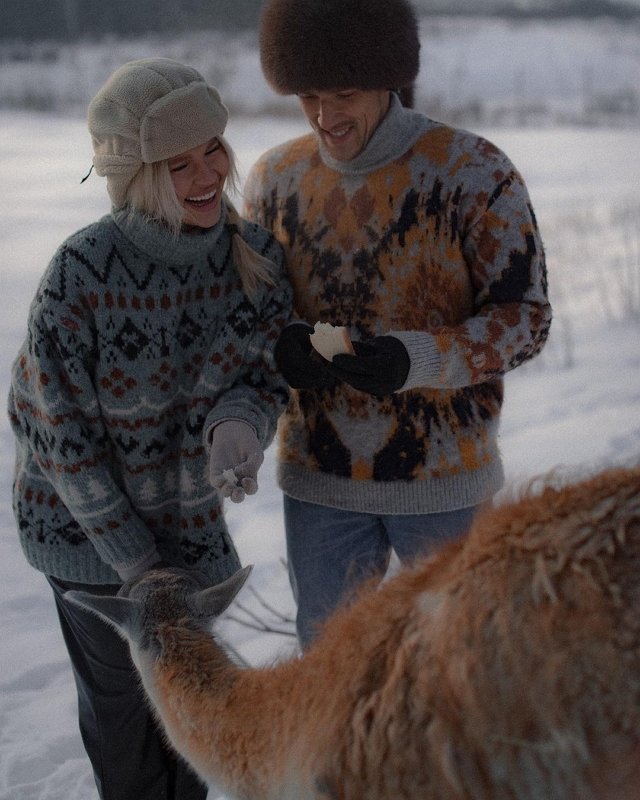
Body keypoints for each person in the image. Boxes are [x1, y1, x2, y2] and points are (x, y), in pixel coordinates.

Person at [7, 58, 292, 800]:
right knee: (127, 725)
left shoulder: (255, 259)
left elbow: (267, 374)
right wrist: (135, 562)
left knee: (194, 715)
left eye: (214, 150)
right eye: (178, 162)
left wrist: (239, 425)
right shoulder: (81, 274)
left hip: (188, 526)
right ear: (134, 174)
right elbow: (57, 437)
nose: (206, 176)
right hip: (86, 539)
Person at [243, 0, 552, 647]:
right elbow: (253, 315)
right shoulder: (273, 178)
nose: (326, 117)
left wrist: (418, 360)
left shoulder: (473, 171)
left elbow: (524, 319)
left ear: (387, 76)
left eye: (345, 94)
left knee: (463, 667)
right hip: (318, 484)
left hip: (445, 486)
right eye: (309, 96)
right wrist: (280, 349)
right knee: (330, 680)